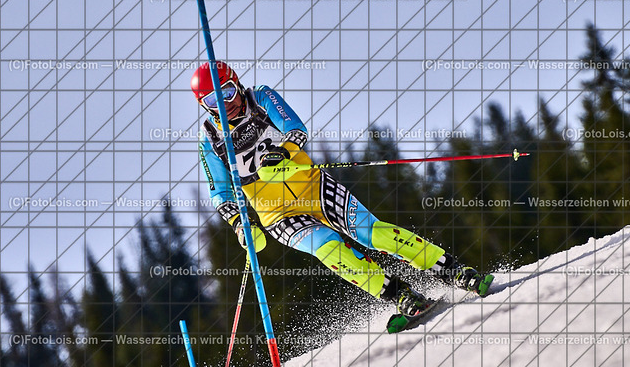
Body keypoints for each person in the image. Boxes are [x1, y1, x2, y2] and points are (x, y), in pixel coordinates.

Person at [192, 61, 492, 321]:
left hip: (314, 187)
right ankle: (399, 295)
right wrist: (239, 225)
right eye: (214, 100)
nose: (225, 104)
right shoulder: (210, 141)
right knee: (330, 250)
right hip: (278, 216)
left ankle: (452, 269)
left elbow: (296, 128)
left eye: (227, 92)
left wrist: (283, 153)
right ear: (205, 105)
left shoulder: (260, 97)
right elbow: (221, 193)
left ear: (237, 83)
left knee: (374, 234)